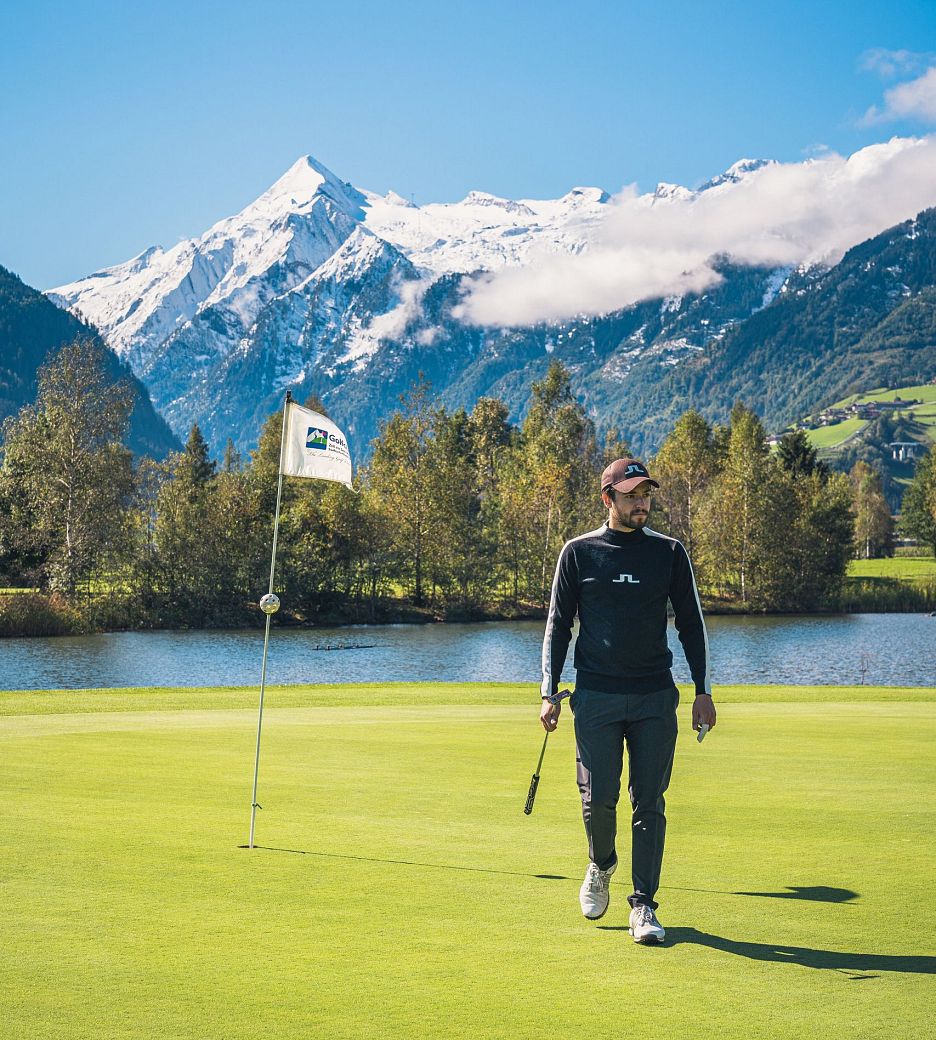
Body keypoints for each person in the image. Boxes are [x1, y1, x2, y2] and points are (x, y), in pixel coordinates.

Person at [539, 457, 716, 943]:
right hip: (595, 696)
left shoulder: (669, 553)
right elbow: (558, 626)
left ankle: (644, 905)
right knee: (598, 802)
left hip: (655, 697)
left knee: (649, 802)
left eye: (646, 495)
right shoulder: (579, 553)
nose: (642, 503)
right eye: (632, 495)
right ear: (608, 499)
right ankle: (601, 863)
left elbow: (691, 624)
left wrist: (703, 691)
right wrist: (549, 690)